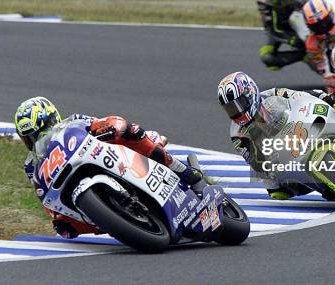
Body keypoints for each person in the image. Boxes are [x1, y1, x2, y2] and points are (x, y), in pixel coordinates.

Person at [14, 97, 204, 239]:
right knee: (65, 229)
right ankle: (118, 222)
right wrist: (55, 215)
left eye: (41, 131)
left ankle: (184, 171)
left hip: (109, 156)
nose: (36, 140)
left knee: (131, 131)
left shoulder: (73, 121)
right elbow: (42, 194)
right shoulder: (31, 165)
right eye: (29, 138)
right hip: (73, 182)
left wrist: (110, 127)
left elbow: (100, 122)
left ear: (53, 119)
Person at [217, 72, 335, 200]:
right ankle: (324, 187)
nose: (237, 111)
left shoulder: (272, 94)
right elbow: (256, 163)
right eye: (231, 109)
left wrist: (321, 98)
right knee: (279, 192)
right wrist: (271, 174)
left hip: (300, 127)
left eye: (239, 104)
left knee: (331, 102)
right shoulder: (237, 135)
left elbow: (299, 96)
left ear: (250, 93)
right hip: (281, 153)